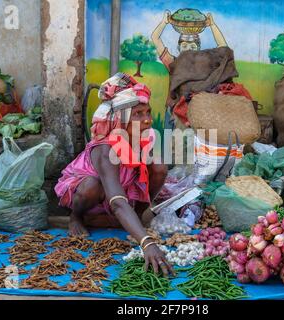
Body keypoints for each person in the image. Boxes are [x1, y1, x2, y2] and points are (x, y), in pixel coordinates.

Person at [55, 73, 173, 275]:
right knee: (92, 186)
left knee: (160, 168)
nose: (147, 120)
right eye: (138, 114)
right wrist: (146, 243)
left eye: (148, 112)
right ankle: (76, 217)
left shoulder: (142, 137)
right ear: (120, 120)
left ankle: (135, 217)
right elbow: (117, 201)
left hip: (119, 187)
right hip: (97, 191)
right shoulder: (105, 148)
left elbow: (149, 173)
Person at [151, 10, 228, 71]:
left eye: (193, 47)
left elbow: (224, 49)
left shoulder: (204, 65)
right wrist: (164, 22)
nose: (188, 49)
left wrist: (212, 25)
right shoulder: (172, 63)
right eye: (184, 46)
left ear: (198, 49)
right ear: (178, 48)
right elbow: (155, 38)